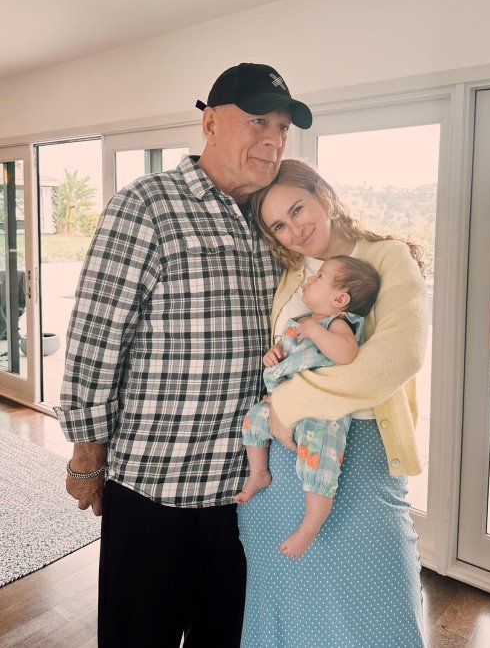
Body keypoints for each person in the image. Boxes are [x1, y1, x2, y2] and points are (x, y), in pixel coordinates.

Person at [54, 63, 312, 648]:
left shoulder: (271, 222)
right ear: (210, 122)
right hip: (158, 487)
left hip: (248, 491)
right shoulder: (146, 204)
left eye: (281, 126)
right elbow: (96, 338)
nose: (272, 138)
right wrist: (87, 458)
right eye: (256, 121)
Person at [237, 158, 429, 648]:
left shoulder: (385, 258)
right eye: (279, 225)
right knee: (284, 598)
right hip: (280, 461)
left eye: (298, 209)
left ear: (322, 194)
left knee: (374, 602)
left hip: (358, 451)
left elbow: (395, 359)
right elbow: (292, 348)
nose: (295, 230)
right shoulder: (292, 275)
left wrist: (289, 402)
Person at [235, 255, 380, 559]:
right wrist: (274, 352)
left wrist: (317, 332)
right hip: (284, 401)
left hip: (322, 413)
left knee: (319, 464)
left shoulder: (337, 324)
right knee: (253, 420)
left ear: (339, 298)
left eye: (319, 278)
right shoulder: (300, 322)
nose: (309, 280)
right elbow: (288, 349)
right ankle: (258, 472)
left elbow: (345, 355)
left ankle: (310, 526)